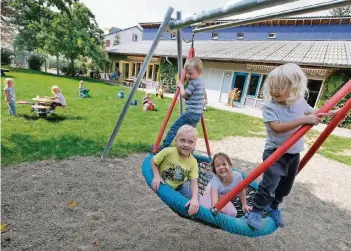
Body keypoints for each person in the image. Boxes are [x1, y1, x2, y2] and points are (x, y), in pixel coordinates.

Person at [247, 63, 339, 230]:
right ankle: (256, 210)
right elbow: (277, 127)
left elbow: (312, 112)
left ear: (294, 87)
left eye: (281, 87)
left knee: (285, 187)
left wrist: (330, 113)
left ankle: (273, 207)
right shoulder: (269, 106)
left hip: (293, 153)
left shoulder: (299, 102)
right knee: (269, 185)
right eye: (273, 86)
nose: (275, 90)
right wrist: (303, 120)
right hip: (275, 153)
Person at [151, 125, 199, 215]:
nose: (186, 144)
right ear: (175, 141)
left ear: (194, 145)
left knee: (195, 195)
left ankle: (193, 211)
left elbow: (194, 181)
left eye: (190, 142)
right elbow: (153, 161)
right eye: (182, 140)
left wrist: (195, 198)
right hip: (165, 183)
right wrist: (156, 176)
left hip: (180, 185)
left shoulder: (193, 161)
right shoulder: (168, 152)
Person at [161, 57, 205, 148]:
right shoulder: (201, 81)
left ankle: (165, 146)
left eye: (190, 73)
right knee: (189, 133)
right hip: (197, 114)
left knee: (175, 128)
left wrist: (181, 86)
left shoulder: (193, 83)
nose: (188, 76)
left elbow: (185, 95)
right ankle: (189, 149)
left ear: (199, 72)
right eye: (187, 73)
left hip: (190, 113)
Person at [199, 153, 252, 217]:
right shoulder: (215, 181)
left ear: (230, 165)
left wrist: (244, 204)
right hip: (209, 196)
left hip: (223, 197)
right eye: (217, 166)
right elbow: (214, 205)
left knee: (233, 213)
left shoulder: (237, 176)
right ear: (215, 170)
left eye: (224, 164)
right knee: (206, 210)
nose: (221, 167)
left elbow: (242, 191)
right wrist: (217, 209)